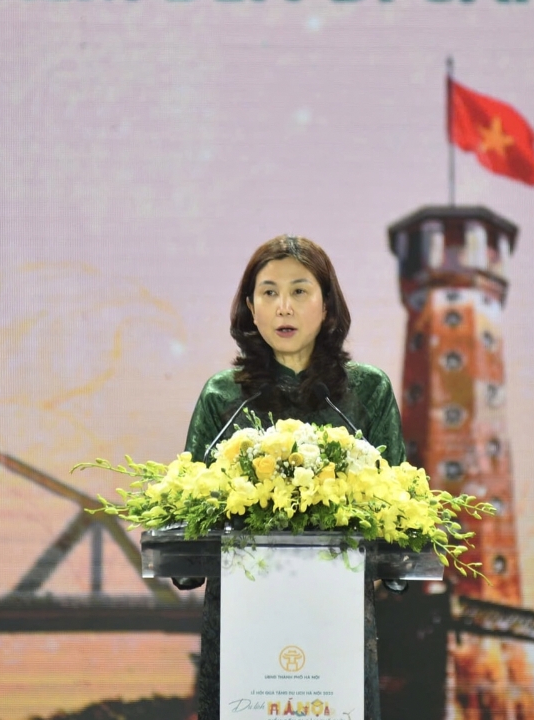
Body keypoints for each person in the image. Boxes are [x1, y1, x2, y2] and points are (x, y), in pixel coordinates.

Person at [183, 234, 406, 720]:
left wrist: (399, 556)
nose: (284, 306)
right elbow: (185, 517)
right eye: (268, 292)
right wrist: (184, 555)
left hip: (337, 625)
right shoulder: (223, 396)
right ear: (250, 308)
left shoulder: (366, 391)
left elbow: (400, 509)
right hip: (240, 626)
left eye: (300, 291)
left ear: (327, 306)